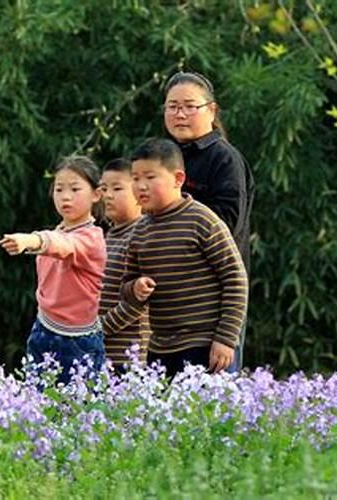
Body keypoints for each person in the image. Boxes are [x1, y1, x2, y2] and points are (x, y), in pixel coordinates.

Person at [121, 138, 248, 378]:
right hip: (160, 348)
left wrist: (226, 338)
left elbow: (236, 279)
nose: (141, 186)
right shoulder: (139, 230)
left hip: (206, 344)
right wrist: (135, 288)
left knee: (209, 414)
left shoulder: (202, 220)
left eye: (150, 177)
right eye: (135, 178)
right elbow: (127, 284)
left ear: (178, 179)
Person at [162, 71, 254, 372]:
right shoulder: (162, 159)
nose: (180, 114)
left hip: (213, 307)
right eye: (173, 106)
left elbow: (228, 221)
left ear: (211, 111)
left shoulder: (224, 159)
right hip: (170, 309)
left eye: (190, 106)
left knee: (212, 411)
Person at [0, 156, 106, 385]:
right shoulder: (58, 232)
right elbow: (55, 240)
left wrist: (30, 240)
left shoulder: (92, 237)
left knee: (78, 411)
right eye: (59, 189)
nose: (65, 196)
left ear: (96, 194)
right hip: (43, 328)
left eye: (75, 189)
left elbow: (61, 245)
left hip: (78, 340)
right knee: (37, 405)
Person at [98, 158, 150, 371]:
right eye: (104, 188)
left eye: (117, 188)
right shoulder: (107, 236)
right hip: (102, 352)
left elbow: (140, 301)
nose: (108, 195)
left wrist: (98, 329)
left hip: (129, 355)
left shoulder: (144, 233)